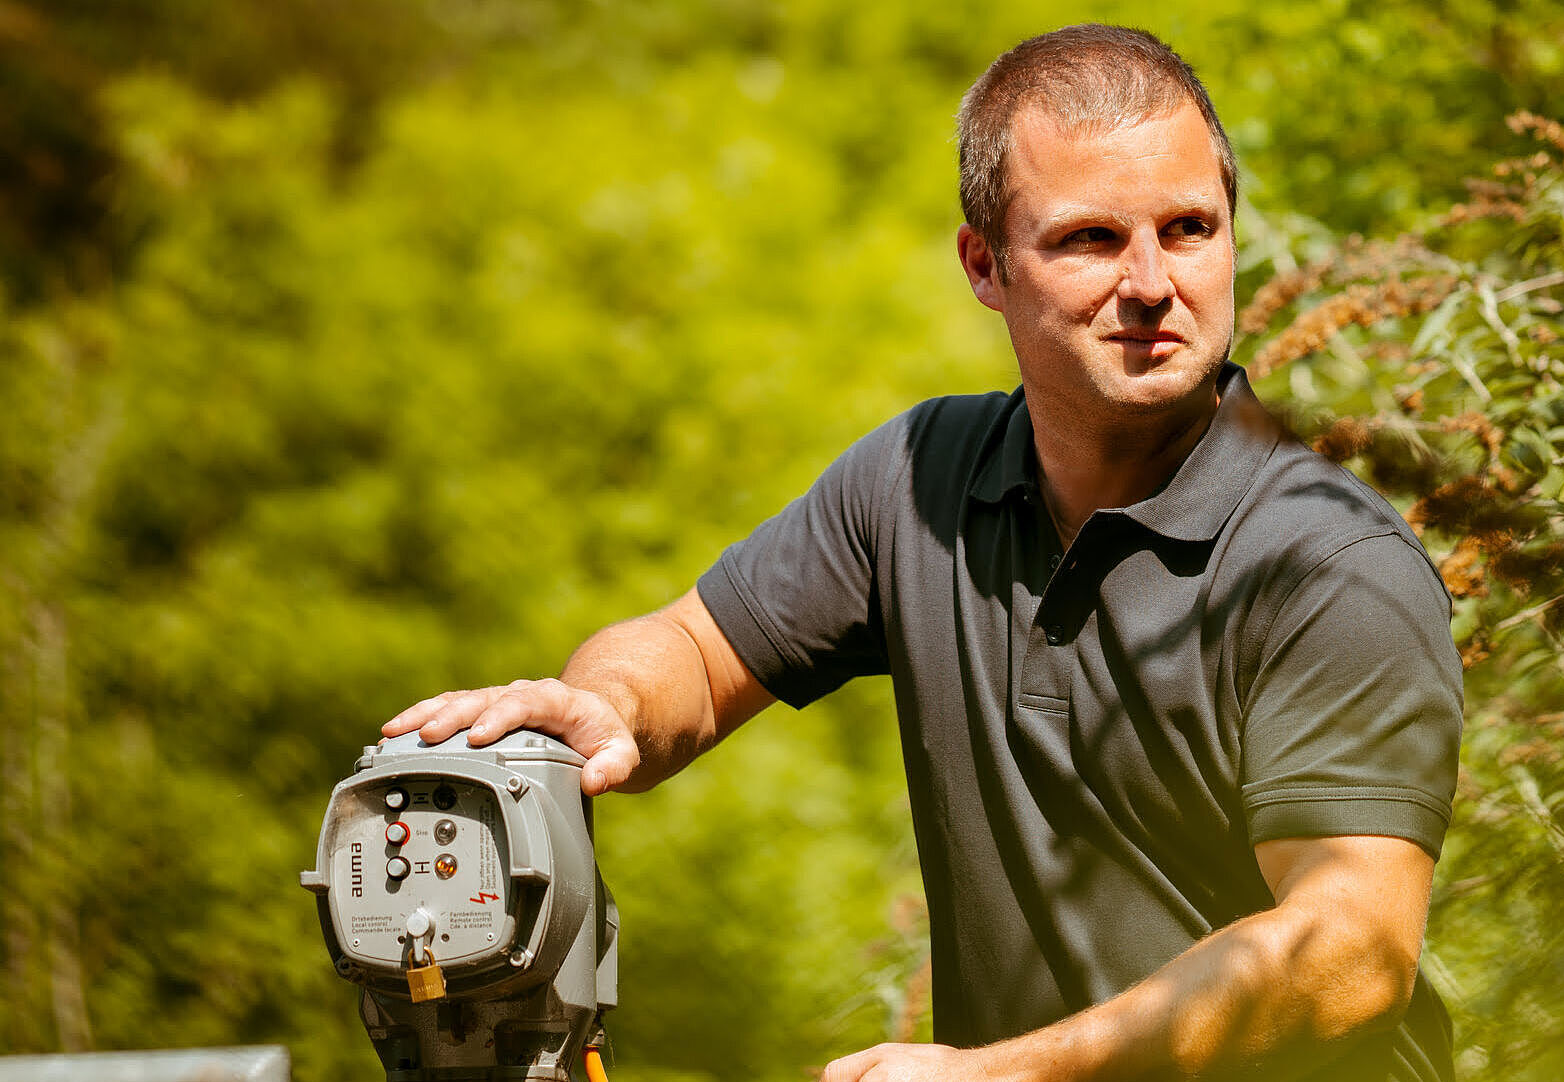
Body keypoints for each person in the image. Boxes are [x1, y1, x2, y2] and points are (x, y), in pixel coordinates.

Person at [384, 24, 1462, 1082]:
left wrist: (1000, 1073)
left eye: (1189, 228)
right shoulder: (920, 477)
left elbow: (1352, 953)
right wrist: (609, 703)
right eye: (1091, 239)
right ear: (983, 265)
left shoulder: (1327, 560)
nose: (1151, 281)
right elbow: (692, 654)